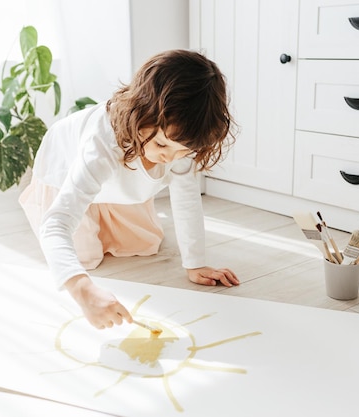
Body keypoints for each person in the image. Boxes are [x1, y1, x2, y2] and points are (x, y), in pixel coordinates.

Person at [19, 49, 239, 330]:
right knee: (84, 259)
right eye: (161, 146)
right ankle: (79, 207)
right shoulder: (102, 141)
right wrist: (83, 290)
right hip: (62, 171)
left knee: (143, 245)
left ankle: (103, 208)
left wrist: (195, 263)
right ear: (141, 118)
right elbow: (57, 222)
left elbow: (186, 199)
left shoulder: (180, 143)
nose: (171, 158)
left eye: (183, 151)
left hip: (120, 186)